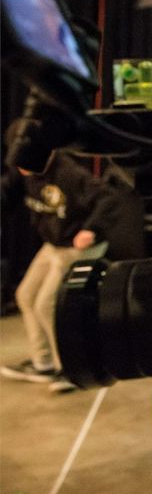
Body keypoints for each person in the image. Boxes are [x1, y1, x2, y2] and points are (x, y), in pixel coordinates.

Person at [0, 143, 123, 393]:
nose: (21, 170)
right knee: (25, 295)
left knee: (48, 303)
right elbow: (6, 193)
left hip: (78, 245)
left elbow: (109, 197)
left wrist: (91, 228)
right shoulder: (23, 171)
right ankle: (43, 362)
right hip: (54, 243)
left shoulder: (68, 172)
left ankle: (70, 368)